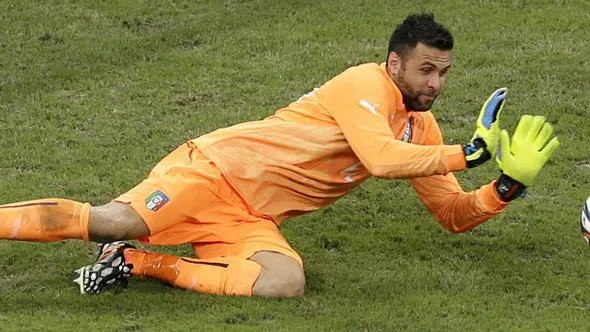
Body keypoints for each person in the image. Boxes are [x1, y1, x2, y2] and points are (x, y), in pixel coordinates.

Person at [0, 12, 559, 298]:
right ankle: (111, 240)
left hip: (250, 216)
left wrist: (507, 186)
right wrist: (469, 152)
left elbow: (453, 215)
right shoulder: (361, 83)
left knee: (283, 283)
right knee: (111, 219)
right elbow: (383, 159)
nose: (435, 83)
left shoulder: (421, 127)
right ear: (394, 64)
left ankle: (137, 261)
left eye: (443, 73)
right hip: (212, 171)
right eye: (425, 70)